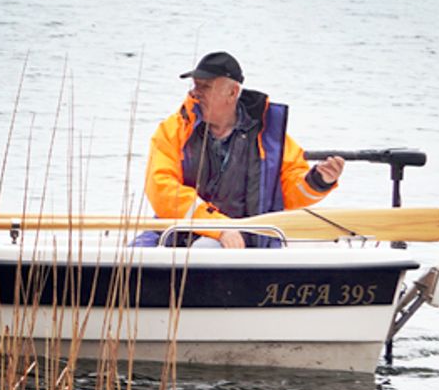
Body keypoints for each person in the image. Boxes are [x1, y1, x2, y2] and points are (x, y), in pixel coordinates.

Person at [143, 51, 344, 248]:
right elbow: (162, 189)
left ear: (232, 92)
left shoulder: (269, 137)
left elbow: (289, 194)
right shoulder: (173, 130)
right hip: (174, 235)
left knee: (206, 249)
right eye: (195, 86)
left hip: (247, 240)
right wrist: (219, 227)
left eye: (205, 87)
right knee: (132, 254)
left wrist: (318, 181)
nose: (196, 93)